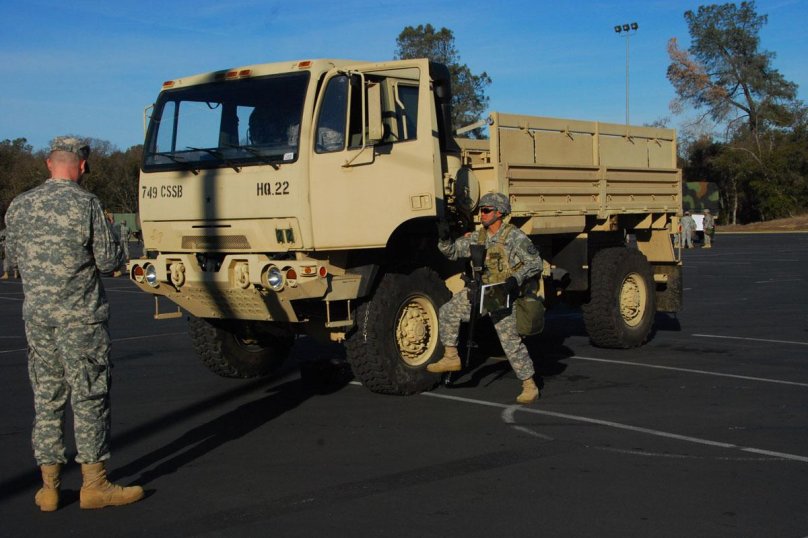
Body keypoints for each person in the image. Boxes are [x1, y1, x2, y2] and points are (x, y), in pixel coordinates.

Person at [4, 137, 144, 512]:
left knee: (47, 398)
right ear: (82, 166)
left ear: (49, 164)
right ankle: (94, 484)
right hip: (80, 320)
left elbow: (13, 258)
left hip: (38, 318)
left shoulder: (20, 205)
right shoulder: (86, 205)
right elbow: (107, 261)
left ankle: (49, 487)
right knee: (89, 397)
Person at [427, 192, 543, 404]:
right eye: (481, 210)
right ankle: (451, 357)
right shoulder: (477, 237)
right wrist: (444, 239)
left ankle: (529, 385)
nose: (482, 214)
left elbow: (535, 263)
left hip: (499, 291)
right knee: (448, 312)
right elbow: (453, 252)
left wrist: (514, 280)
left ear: (500, 213)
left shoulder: (514, 237)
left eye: (487, 210)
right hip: (481, 288)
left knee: (509, 341)